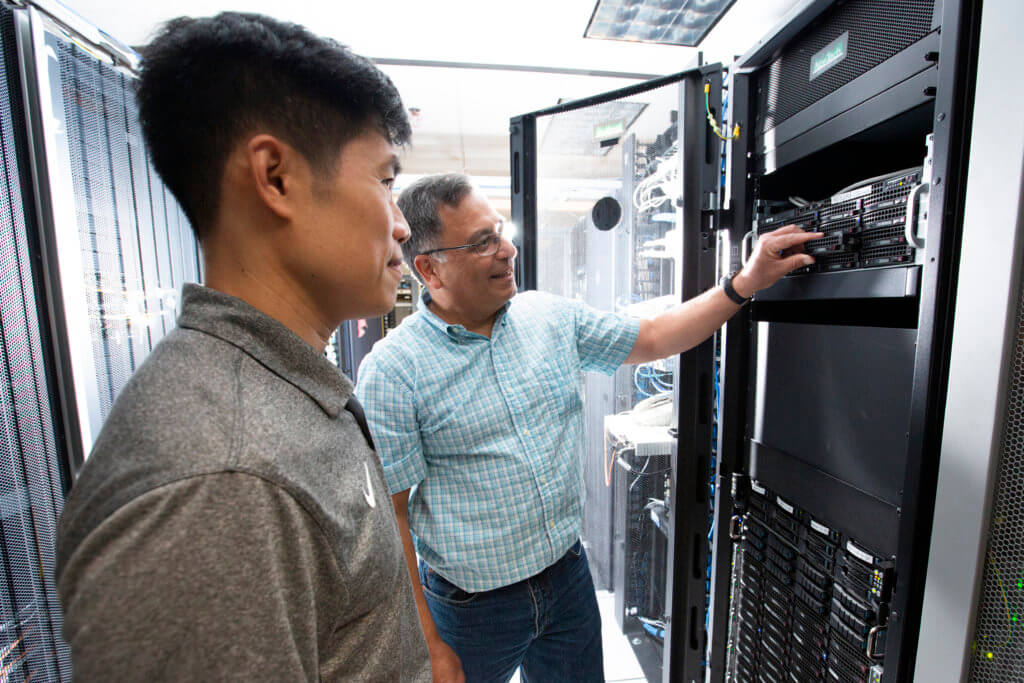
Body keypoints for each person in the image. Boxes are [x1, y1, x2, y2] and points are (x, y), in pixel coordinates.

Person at [55, 13, 430, 681]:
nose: (401, 224)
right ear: (275, 176)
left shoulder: (281, 389)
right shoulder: (222, 485)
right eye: (384, 180)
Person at [356, 173, 821, 682]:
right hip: (471, 608)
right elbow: (391, 519)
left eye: (501, 231)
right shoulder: (394, 370)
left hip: (567, 580)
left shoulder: (549, 318)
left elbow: (655, 337)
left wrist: (744, 283)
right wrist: (428, 641)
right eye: (483, 242)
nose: (507, 250)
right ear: (430, 268)